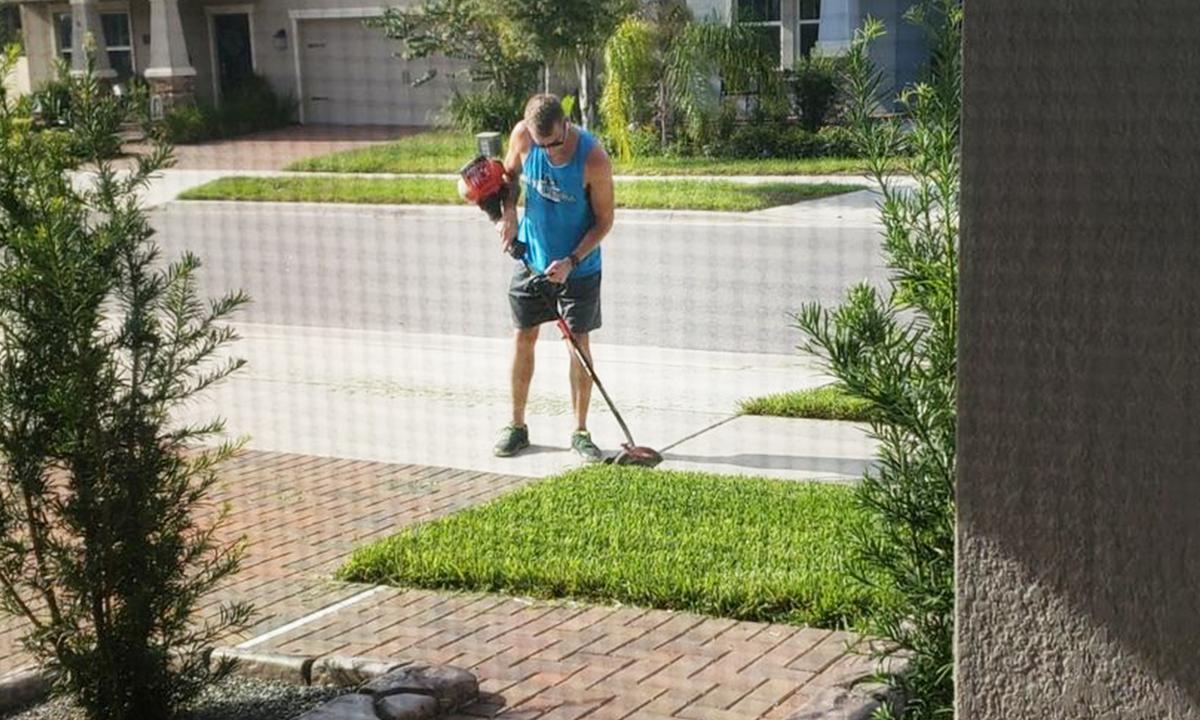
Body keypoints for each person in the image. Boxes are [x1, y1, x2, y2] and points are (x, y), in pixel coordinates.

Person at [493, 94, 615, 462]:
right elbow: (509, 179)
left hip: (579, 266)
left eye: (555, 143)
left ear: (566, 124)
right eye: (541, 145)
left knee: (578, 344)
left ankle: (580, 431)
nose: (549, 151)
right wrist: (509, 214)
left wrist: (572, 261)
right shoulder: (523, 137)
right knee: (522, 339)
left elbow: (605, 221)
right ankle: (516, 426)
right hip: (531, 260)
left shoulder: (592, 158)